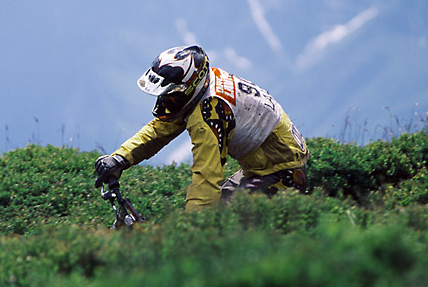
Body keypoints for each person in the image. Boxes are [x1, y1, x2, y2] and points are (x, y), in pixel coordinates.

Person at [94, 45, 309, 208]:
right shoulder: (203, 82)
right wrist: (120, 158)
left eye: (169, 95)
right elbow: (162, 128)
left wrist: (193, 232)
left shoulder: (210, 112)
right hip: (266, 163)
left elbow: (206, 179)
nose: (164, 102)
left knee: (222, 222)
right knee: (216, 210)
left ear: (188, 88)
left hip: (281, 170)